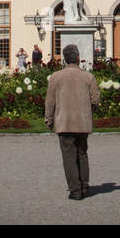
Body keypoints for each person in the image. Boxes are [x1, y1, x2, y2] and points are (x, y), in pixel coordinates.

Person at [44, 43, 100, 200]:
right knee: (82, 154)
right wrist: (87, 109)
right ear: (78, 58)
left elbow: (50, 102)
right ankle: (84, 186)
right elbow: (95, 100)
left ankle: (75, 190)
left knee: (69, 157)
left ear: (64, 59)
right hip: (82, 123)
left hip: (64, 122)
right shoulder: (88, 77)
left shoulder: (55, 77)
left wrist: (49, 119)